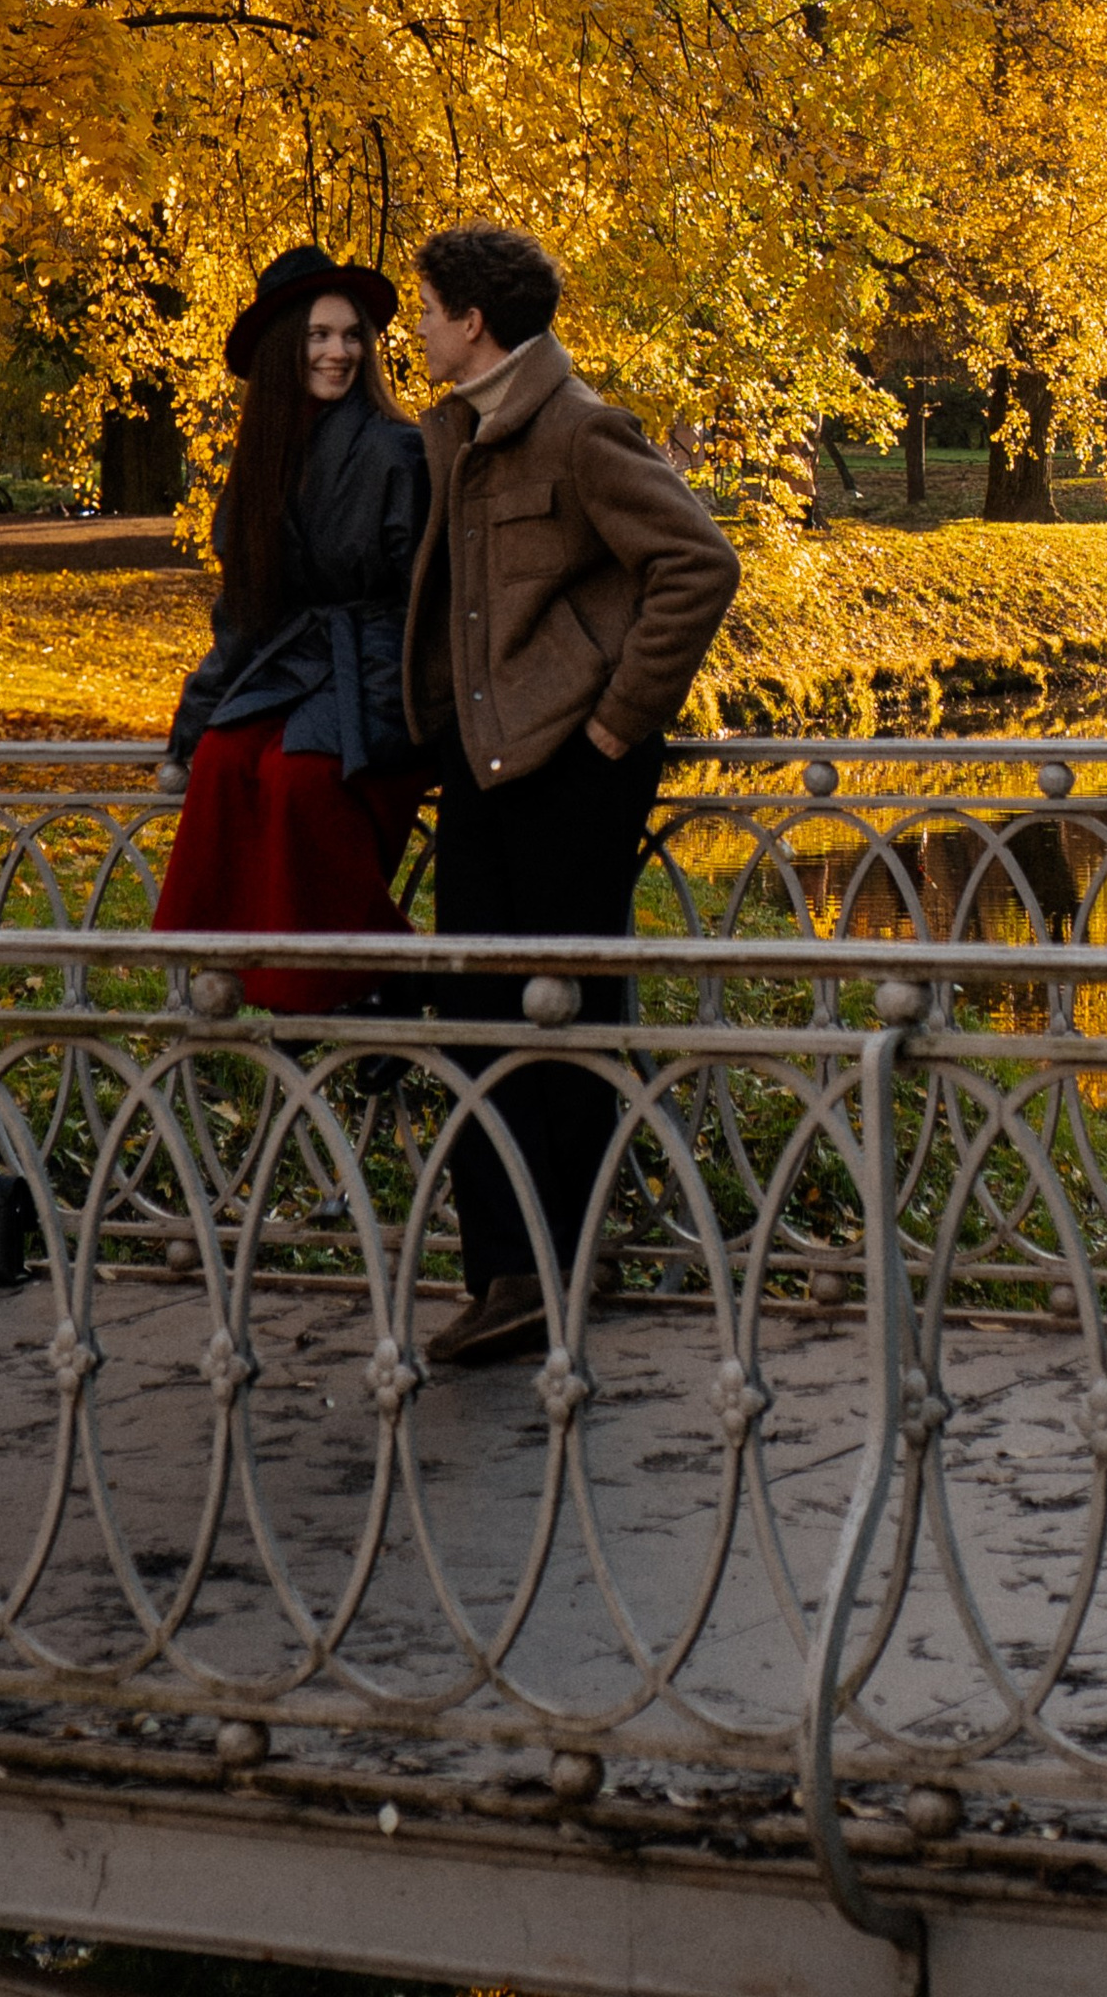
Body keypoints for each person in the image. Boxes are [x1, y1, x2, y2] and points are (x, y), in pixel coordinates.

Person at [406, 222, 740, 1366]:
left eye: (427, 308)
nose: (417, 326)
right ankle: (510, 1274)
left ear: (473, 323)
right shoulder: (459, 433)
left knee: (568, 1029)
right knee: (475, 1023)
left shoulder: (580, 431)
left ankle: (555, 1268)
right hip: (483, 767)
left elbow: (698, 565)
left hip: (568, 772)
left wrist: (613, 724)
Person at [154, 246, 430, 1012]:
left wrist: (403, 706)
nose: (338, 352)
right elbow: (242, 611)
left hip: (380, 666)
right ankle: (244, 969)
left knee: (299, 774)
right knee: (222, 760)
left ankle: (372, 972)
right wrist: (194, 724)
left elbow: (423, 604)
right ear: (285, 348)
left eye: (350, 336)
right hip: (295, 665)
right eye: (318, 336)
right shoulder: (264, 457)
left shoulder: (395, 449)